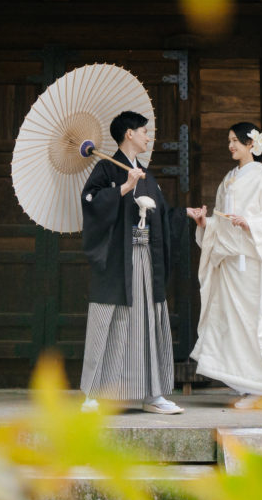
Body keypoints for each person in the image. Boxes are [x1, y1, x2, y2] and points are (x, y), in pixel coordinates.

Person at [186, 122, 262, 408]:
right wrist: (205, 223)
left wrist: (251, 223)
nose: (231, 146)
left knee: (254, 323)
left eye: (236, 140)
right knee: (234, 326)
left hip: (251, 262)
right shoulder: (229, 178)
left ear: (252, 144)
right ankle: (248, 385)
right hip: (231, 266)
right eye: (229, 141)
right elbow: (223, 221)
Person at [78, 109, 184, 414]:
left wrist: (184, 214)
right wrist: (123, 188)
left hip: (145, 257)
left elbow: (161, 215)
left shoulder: (145, 173)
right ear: (130, 134)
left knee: (147, 321)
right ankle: (94, 395)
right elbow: (91, 203)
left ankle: (153, 394)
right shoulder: (106, 169)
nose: (148, 137)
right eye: (145, 132)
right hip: (117, 260)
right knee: (109, 322)